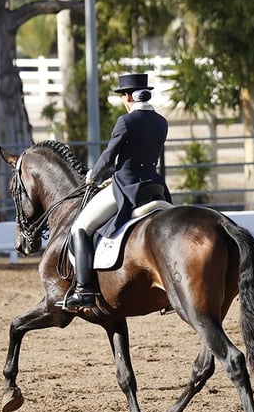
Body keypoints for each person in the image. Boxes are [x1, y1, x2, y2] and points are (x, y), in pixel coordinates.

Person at [56, 73, 171, 311]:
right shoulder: (162, 122)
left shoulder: (126, 121)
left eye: (123, 96)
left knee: (81, 227)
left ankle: (83, 291)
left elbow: (110, 154)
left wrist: (93, 175)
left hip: (127, 186)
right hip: (154, 185)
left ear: (128, 96)